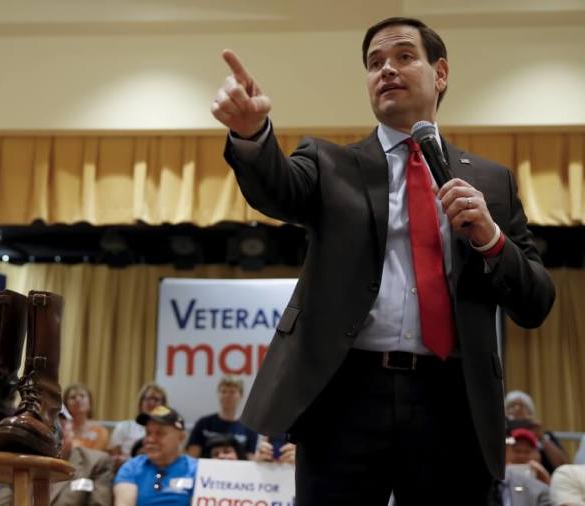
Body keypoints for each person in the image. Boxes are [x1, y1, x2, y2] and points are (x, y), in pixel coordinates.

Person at [211, 15, 556, 505]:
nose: (386, 70)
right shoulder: (331, 163)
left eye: (403, 57)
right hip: (345, 394)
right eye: (375, 63)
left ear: (440, 74)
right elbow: (278, 188)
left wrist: (490, 238)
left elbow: (536, 301)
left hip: (453, 399)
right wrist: (252, 134)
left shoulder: (490, 181)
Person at [0, 406, 113, 506]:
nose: (54, 436)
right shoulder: (19, 462)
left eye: (60, 426)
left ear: (71, 430)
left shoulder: (96, 463)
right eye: (47, 428)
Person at [114, 406, 197, 506]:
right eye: (148, 433)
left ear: (181, 437)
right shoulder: (132, 468)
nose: (150, 440)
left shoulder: (196, 470)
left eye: (160, 433)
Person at [186, 377, 257, 458]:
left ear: (240, 395)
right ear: (218, 394)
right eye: (223, 391)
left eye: (232, 392)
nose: (227, 396)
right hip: (207, 469)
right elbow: (192, 457)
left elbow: (250, 459)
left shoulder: (248, 428)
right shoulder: (203, 424)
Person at [506, 390, 570, 472]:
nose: (517, 409)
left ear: (530, 413)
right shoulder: (502, 435)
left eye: (522, 406)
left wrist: (542, 438)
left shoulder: (545, 436)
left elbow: (564, 467)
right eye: (512, 406)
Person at [108, 383, 167, 468]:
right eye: (148, 399)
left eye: (156, 399)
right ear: (140, 402)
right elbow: (114, 457)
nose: (152, 402)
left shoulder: (168, 430)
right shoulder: (123, 426)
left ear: (163, 405)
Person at [63, 383, 109, 451]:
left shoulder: (100, 431)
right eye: (73, 397)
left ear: (90, 402)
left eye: (82, 396)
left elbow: (96, 457)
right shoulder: (61, 429)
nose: (78, 400)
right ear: (66, 405)